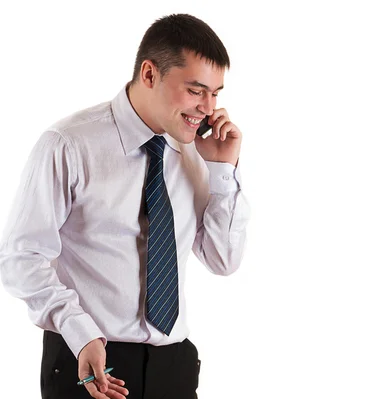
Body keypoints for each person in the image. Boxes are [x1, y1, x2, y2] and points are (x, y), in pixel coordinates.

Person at [0, 13, 249, 399]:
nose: (208, 107)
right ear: (149, 74)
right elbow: (21, 255)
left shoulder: (196, 151)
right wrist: (79, 331)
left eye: (216, 93)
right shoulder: (69, 144)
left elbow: (222, 260)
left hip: (175, 368)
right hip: (92, 361)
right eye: (196, 90)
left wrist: (222, 172)